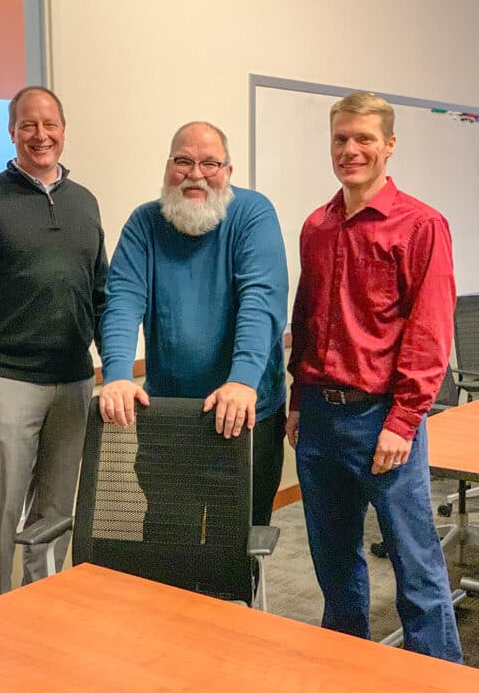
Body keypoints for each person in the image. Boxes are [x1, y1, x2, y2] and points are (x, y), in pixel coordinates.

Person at [286, 91, 462, 662]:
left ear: (389, 145)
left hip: (381, 419)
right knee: (335, 566)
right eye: (341, 138)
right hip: (319, 418)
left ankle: (438, 676)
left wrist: (404, 421)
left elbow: (430, 331)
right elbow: (306, 318)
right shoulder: (317, 226)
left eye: (364, 138)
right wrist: (297, 400)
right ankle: (348, 669)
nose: (351, 150)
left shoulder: (421, 225)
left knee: (416, 568)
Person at [0, 86, 108, 604]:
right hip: (7, 381)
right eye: (28, 125)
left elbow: (101, 295)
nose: (40, 135)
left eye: (49, 124)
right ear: (12, 132)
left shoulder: (85, 203)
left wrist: (116, 368)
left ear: (63, 129)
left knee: (54, 520)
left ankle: (43, 620)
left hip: (74, 383)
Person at [99, 121, 288, 534]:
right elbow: (123, 300)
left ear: (228, 171)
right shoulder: (144, 223)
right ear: (168, 166)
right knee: (168, 537)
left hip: (243, 414)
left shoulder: (253, 215)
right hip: (170, 415)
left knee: (234, 544)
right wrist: (116, 374)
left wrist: (242, 380)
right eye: (183, 161)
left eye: (209, 163)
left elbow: (261, 301)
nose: (195, 174)